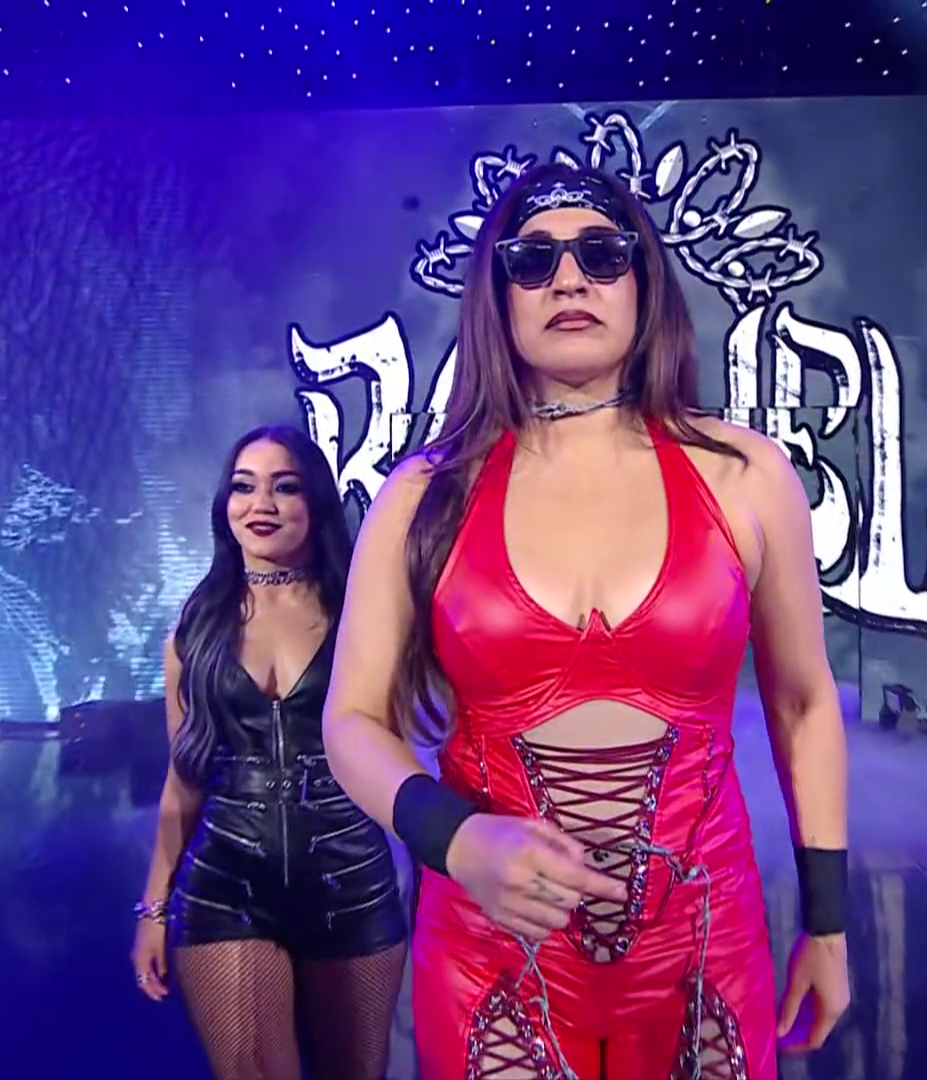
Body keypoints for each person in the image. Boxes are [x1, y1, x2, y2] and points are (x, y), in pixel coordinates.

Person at [322, 163, 853, 1079]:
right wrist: (456, 838)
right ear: (498, 295)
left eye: (601, 255)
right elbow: (351, 720)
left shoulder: (747, 476)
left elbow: (803, 706)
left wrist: (830, 924)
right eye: (534, 260)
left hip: (704, 949)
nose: (569, 280)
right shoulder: (421, 496)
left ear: (645, 283)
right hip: (491, 953)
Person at [132, 425, 409, 1080]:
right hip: (226, 887)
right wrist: (153, 908)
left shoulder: (364, 616)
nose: (261, 504)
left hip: (351, 886)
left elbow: (398, 753)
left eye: (284, 487)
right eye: (243, 486)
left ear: (315, 503)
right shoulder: (195, 629)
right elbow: (184, 778)